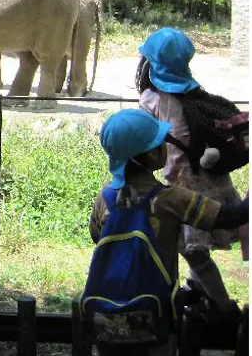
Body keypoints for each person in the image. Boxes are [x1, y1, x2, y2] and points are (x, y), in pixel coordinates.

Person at [89, 108, 252, 356]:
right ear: (154, 155)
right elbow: (228, 218)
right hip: (154, 317)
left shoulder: (105, 197)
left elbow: (97, 236)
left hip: (106, 315)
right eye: (162, 143)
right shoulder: (170, 199)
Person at [135, 27, 248, 319]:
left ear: (149, 64)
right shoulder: (195, 95)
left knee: (191, 250)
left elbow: (149, 148)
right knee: (191, 248)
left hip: (185, 187)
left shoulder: (152, 100)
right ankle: (200, 292)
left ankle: (224, 308)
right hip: (215, 181)